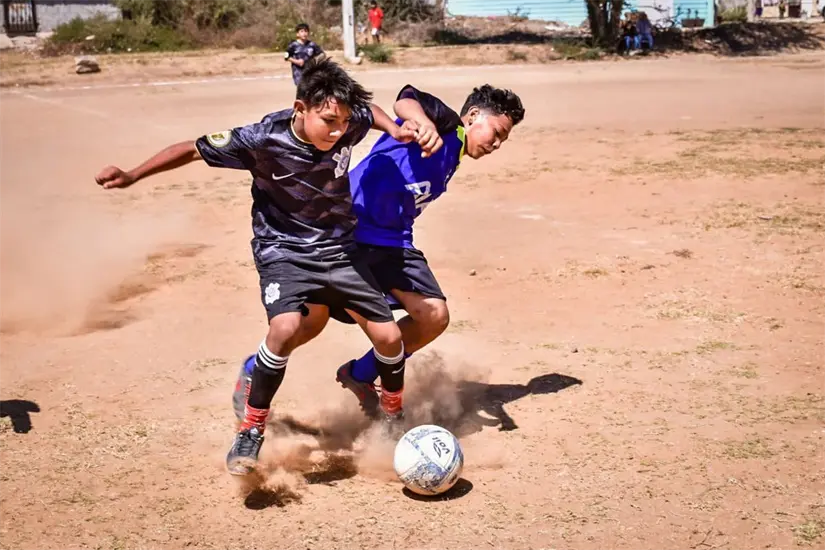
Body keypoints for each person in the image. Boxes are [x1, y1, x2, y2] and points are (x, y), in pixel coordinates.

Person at [95, 58, 417, 476]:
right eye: (328, 122)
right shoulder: (261, 138)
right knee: (284, 329)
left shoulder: (347, 117)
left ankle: (392, 418)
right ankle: (250, 431)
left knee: (390, 336)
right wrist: (133, 175)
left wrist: (392, 128)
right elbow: (191, 149)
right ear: (300, 108)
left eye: (342, 123)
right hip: (284, 250)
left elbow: (365, 112)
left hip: (339, 250)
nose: (338, 131)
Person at [232, 83, 525, 420]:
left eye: (504, 139)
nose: (497, 143)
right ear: (473, 116)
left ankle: (360, 374)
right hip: (349, 230)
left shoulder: (454, 155)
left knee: (433, 315)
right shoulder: (446, 124)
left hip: (392, 242)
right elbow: (407, 98)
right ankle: (255, 370)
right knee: (311, 321)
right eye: (497, 132)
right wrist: (421, 122)